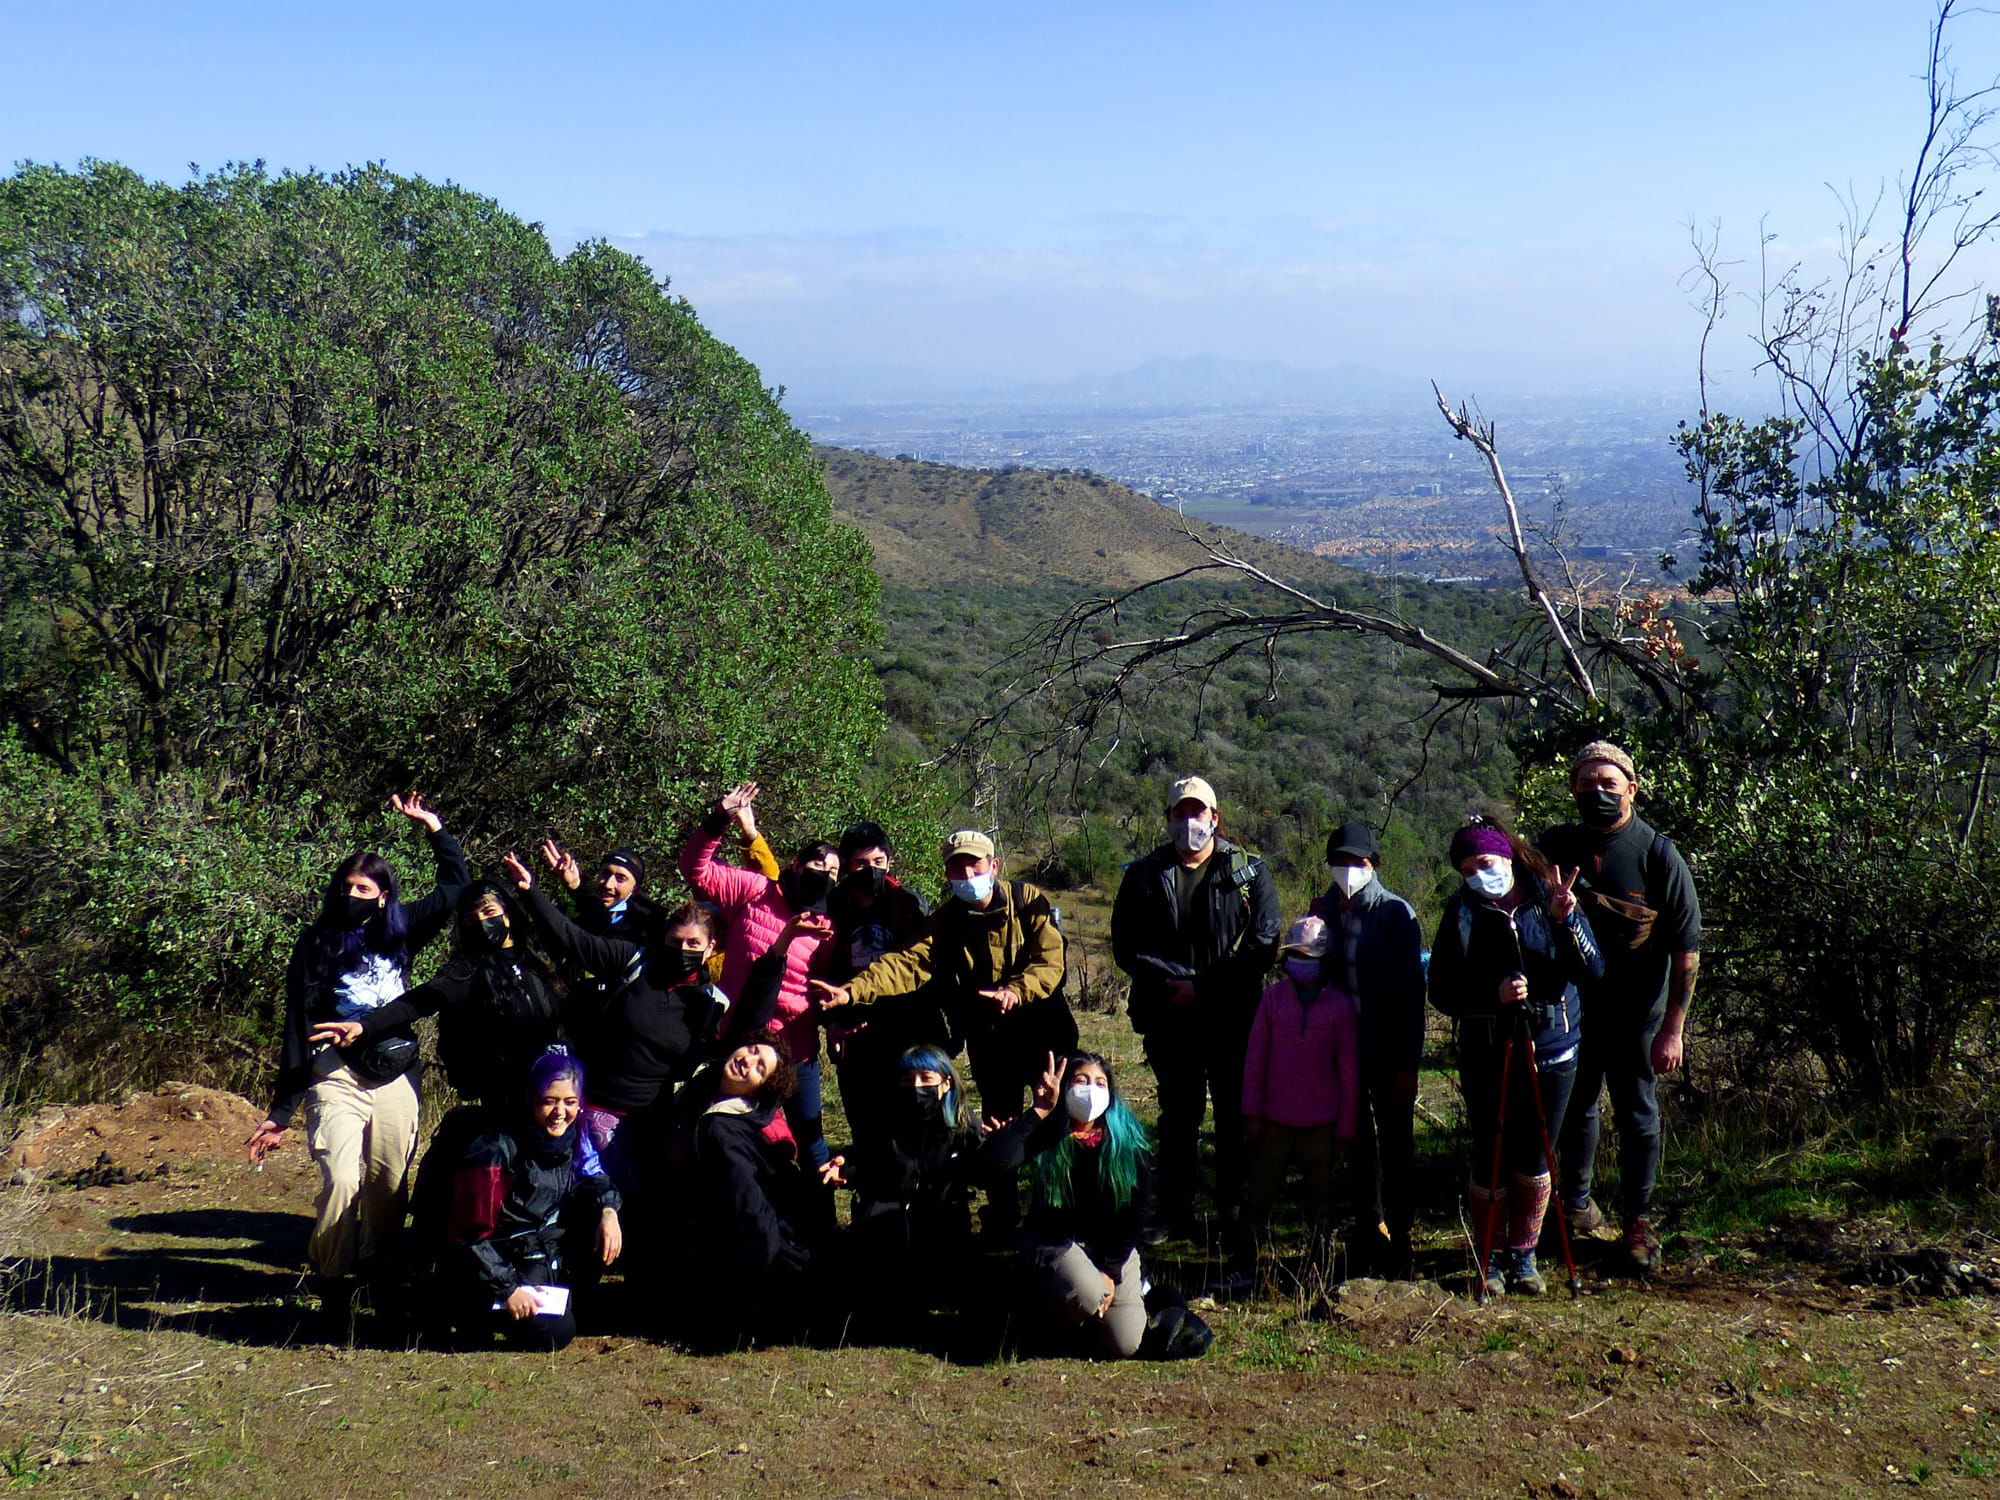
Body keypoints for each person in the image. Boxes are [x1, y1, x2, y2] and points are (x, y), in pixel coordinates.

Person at [245, 794, 468, 1304]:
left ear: (384, 895)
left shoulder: (404, 928)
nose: (353, 895)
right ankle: (330, 1277)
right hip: (335, 1072)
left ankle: (378, 1276)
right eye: (346, 887)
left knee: (389, 1186)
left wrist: (434, 827)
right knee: (342, 1178)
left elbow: (455, 888)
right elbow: (297, 1025)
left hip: (395, 1069)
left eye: (363, 888)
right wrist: (282, 1110)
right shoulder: (316, 942)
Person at [499, 852, 819, 1198]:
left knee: (639, 1209)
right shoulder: (635, 961)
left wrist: (781, 946)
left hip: (653, 1123)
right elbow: (574, 941)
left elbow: (749, 1020)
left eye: (693, 944)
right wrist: (531, 892)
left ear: (711, 948)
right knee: (599, 1201)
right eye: (675, 941)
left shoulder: (710, 1004)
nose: (682, 949)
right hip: (595, 1111)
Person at [811, 829, 1073, 1235]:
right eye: (957, 866)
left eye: (975, 864)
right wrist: (850, 993)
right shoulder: (946, 920)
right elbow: (904, 964)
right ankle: (1003, 1219)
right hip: (989, 1039)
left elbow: (1050, 962)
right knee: (999, 1123)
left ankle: (1056, 1220)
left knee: (1055, 1124)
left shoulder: (1028, 901)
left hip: (1044, 1033)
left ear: (994, 866)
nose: (967, 873)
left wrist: (1016, 992)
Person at [1540, 741, 1702, 1273]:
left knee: (1637, 1111)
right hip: (1571, 1012)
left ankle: (1638, 1220)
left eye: (1609, 784)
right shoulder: (1556, 846)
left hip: (1638, 1013)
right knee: (1576, 1108)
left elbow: (1687, 951)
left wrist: (1673, 1029)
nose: (1598, 793)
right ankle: (1575, 1205)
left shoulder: (1658, 854)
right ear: (1573, 790)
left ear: (1632, 788)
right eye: (1587, 784)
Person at [1427, 815, 1602, 1296]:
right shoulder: (1461, 912)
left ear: (1506, 855)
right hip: (1486, 1050)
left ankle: (1524, 1255)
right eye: (1466, 870)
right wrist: (1492, 994)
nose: (1478, 876)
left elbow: (1593, 969)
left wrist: (1567, 922)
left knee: (1533, 1153)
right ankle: (1490, 1254)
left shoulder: (1551, 896)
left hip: (1552, 1048)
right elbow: (1440, 989)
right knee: (1490, 1151)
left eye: (1483, 863)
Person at [1109, 775, 1281, 1242]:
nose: (1190, 821)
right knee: (1178, 1117)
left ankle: (1232, 1214)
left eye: (1198, 812)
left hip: (1231, 1017)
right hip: (1168, 1016)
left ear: (1215, 817)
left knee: (1232, 1116)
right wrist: (1176, 983)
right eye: (1180, 813)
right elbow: (1126, 946)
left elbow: (1264, 944)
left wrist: (1205, 989)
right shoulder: (1143, 874)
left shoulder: (1249, 871)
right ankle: (1173, 1214)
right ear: (1167, 819)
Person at [680, 784, 838, 1168]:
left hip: (796, 1053)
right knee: (735, 1138)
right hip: (738, 1046)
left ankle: (820, 1223)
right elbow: (695, 869)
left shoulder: (829, 925)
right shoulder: (756, 892)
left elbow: (829, 985)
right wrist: (721, 818)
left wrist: (838, 1019)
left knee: (811, 1145)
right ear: (798, 865)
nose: (826, 875)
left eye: (834, 871)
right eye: (819, 865)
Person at [436, 1049, 623, 1351]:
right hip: (493, 1260)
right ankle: (468, 1309)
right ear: (531, 1098)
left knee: (602, 1216)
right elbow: (468, 1234)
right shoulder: (496, 1147)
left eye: (570, 1102)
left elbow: (594, 1179)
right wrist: (509, 1289)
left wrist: (608, 1211)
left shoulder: (575, 1135)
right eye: (549, 1101)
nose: (560, 1112)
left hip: (541, 1250)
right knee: (556, 1332)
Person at [1307, 820, 1428, 1276]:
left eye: (1356, 862)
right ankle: (1368, 1229)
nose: (1347, 870)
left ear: (1373, 864)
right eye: (1339, 862)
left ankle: (1402, 1237)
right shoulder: (1323, 910)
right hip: (1343, 1050)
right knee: (1357, 1144)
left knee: (1397, 1144)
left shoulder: (1397, 914)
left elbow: (1412, 996)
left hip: (1388, 1048)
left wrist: (1407, 1065)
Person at [979, 1051, 1154, 1359]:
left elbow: (1135, 1214)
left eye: (1100, 1083)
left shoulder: (1127, 1142)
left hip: (1112, 1249)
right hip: (1055, 1243)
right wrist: (1038, 1111)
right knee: (1088, 1293)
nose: (1091, 1090)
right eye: (1081, 1080)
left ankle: (1078, 1323)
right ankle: (1035, 1315)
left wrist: (1111, 1272)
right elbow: (993, 1163)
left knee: (1124, 1342)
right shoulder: (1046, 1132)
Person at [1229, 916, 1360, 1292]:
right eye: (1297, 955)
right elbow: (1255, 1060)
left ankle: (1318, 1270)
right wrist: (1251, 1112)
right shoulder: (1272, 1000)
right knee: (1258, 1197)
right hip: (1273, 1121)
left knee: (1321, 1203)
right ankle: (1246, 1266)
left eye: (1311, 955)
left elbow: (1350, 1075)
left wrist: (1346, 1127)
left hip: (1321, 1125)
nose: (1303, 961)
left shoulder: (1340, 1008)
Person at [822, 1044, 981, 1316]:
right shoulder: (884, 1124)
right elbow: (865, 1160)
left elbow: (987, 1165)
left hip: (943, 1222)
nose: (917, 1086)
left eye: (926, 1078)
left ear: (946, 1083)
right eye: (908, 1080)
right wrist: (845, 1168)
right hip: (890, 1221)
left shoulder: (963, 1126)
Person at [824, 821, 937, 1148]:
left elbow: (924, 965)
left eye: (878, 862)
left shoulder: (910, 903)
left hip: (905, 1024)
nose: (870, 870)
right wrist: (830, 1022)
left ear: (889, 861)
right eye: (860, 863)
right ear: (846, 865)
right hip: (852, 1028)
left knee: (912, 1116)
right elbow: (818, 965)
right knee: (864, 1120)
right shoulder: (832, 905)